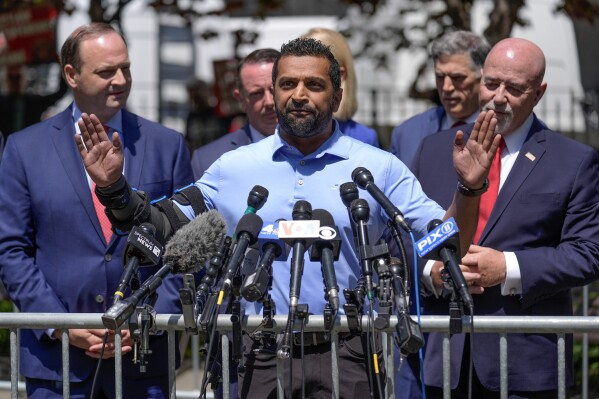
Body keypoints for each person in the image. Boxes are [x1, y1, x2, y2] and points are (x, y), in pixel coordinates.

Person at [76, 37, 499, 398]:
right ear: (274, 93)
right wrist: (114, 188)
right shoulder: (233, 167)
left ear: (336, 96)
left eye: (314, 85)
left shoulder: (379, 168)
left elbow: (443, 241)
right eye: (287, 84)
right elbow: (161, 226)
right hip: (255, 354)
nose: (299, 94)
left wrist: (468, 190)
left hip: (347, 353)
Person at [0, 23, 194, 398]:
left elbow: (184, 252)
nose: (121, 79)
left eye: (126, 68)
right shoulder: (25, 150)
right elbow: (11, 250)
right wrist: (62, 325)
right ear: (71, 74)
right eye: (106, 71)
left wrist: (146, 320)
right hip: (58, 364)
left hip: (143, 361)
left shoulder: (166, 146)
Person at [411, 38, 599, 398]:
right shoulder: (435, 150)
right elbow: (401, 238)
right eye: (491, 83)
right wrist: (431, 271)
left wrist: (509, 267)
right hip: (445, 363)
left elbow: (588, 253)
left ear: (538, 93)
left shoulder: (572, 161)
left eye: (513, 88)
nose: (498, 97)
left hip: (524, 364)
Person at [390, 30, 490, 167]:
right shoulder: (407, 134)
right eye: (440, 77)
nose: (446, 87)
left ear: (483, 75)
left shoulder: (504, 130)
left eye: (457, 78)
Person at [190, 48, 280, 179]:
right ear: (240, 98)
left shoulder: (318, 150)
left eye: (275, 90)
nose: (269, 102)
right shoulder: (208, 161)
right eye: (257, 93)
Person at [302, 27, 380, 147]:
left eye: (313, 80)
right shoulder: (281, 132)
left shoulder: (363, 138)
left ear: (339, 75)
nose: (298, 92)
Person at [0, 63, 69, 141]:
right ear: (6, 80)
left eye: (18, 77)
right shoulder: (2, 102)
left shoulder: (33, 102)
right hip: (6, 148)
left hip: (29, 145)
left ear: (23, 78)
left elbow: (60, 93)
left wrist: (58, 61)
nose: (15, 82)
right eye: (11, 78)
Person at [184, 77, 228, 153]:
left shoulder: (218, 113)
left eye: (197, 92)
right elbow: (190, 141)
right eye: (192, 94)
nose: (194, 98)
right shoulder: (192, 117)